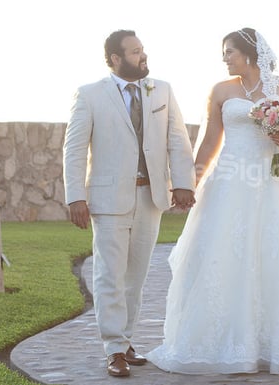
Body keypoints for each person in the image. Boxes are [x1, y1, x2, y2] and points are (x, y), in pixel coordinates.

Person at [147, 27, 279, 375]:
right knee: (223, 254)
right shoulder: (221, 91)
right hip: (229, 182)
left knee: (277, 254)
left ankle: (278, 341)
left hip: (273, 182)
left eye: (229, 52)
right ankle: (221, 339)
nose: (224, 59)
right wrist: (190, 183)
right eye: (223, 54)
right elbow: (209, 142)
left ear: (249, 54)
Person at [63, 29, 196, 378]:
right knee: (109, 274)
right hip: (107, 200)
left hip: (150, 197)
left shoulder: (161, 90)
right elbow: (75, 149)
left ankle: (125, 341)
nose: (143, 56)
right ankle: (113, 349)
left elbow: (178, 140)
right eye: (135, 52)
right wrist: (75, 195)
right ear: (115, 59)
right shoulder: (90, 95)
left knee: (135, 277)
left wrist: (182, 184)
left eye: (143, 50)